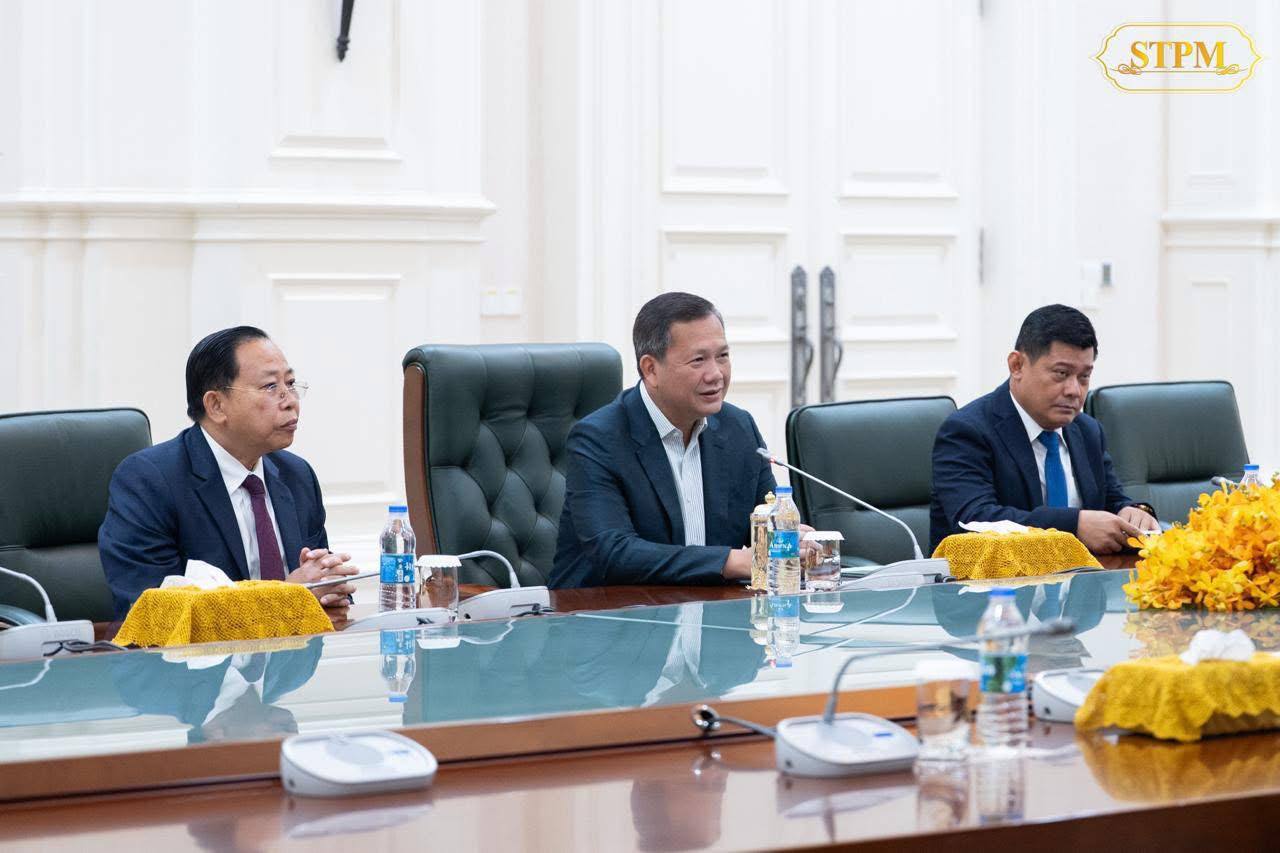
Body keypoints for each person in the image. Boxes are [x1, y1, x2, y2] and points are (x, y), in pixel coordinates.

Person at [99, 326, 358, 619]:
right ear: (216, 405)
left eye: (290, 383)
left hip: (295, 648)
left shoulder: (296, 476)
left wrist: (330, 586)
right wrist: (288, 597)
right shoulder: (149, 481)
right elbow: (154, 614)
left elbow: (317, 588)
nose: (290, 401)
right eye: (270, 387)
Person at [552, 292, 778, 588]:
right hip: (611, 609)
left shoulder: (739, 427)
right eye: (698, 360)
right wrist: (729, 562)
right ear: (651, 369)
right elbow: (615, 552)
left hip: (713, 608)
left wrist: (786, 536)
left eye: (722, 356)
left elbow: (764, 523)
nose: (716, 374)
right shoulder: (598, 439)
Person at [929, 304, 1158, 554]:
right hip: (991, 578)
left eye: (1084, 377)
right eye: (1061, 373)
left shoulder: (1087, 431)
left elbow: (1112, 501)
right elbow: (975, 522)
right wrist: (1073, 526)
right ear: (1017, 365)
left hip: (1086, 577)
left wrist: (1134, 512)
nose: (1074, 390)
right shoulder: (967, 431)